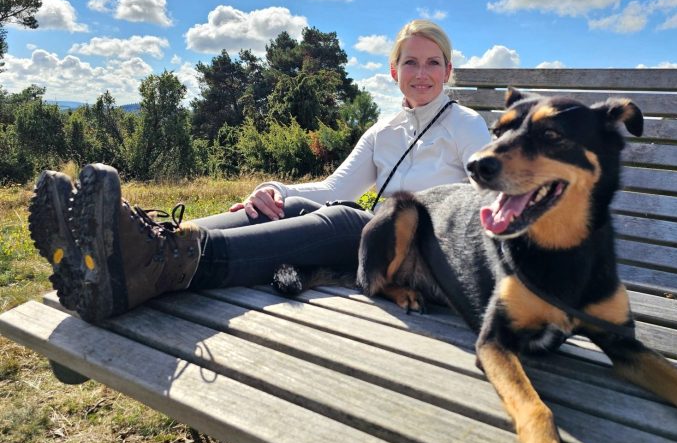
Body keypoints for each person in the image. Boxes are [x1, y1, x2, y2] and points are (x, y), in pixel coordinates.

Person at [29, 19, 491, 323]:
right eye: (411, 62)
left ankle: (156, 261)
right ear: (394, 71)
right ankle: (128, 242)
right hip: (374, 245)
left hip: (419, 260)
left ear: (448, 70)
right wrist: (273, 188)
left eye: (433, 63)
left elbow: (486, 204)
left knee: (348, 219)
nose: (422, 73)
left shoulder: (465, 125)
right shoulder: (383, 130)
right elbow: (333, 187)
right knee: (285, 205)